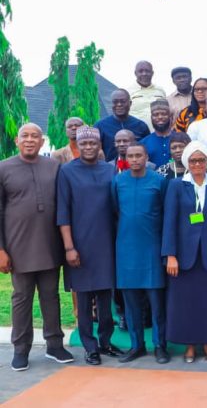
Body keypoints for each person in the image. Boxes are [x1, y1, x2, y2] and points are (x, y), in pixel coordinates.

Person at [0, 123, 74, 372]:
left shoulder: (54, 167)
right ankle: (21, 349)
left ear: (42, 142)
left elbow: (63, 205)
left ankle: (55, 345)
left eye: (35, 136)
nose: (30, 140)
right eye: (25, 136)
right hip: (18, 247)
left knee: (51, 296)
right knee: (22, 298)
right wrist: (1, 250)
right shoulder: (3, 168)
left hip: (50, 244)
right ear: (17, 141)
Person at [57, 126, 122, 366]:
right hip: (79, 244)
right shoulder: (67, 171)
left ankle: (105, 342)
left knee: (105, 298)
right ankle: (90, 347)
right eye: (83, 143)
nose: (88, 147)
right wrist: (69, 247)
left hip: (105, 243)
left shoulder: (109, 170)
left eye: (92, 143)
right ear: (77, 144)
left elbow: (115, 207)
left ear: (99, 145)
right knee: (84, 300)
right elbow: (62, 212)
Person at [162, 141, 207, 363]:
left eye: (201, 160)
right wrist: (170, 255)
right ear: (187, 162)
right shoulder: (177, 185)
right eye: (193, 160)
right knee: (184, 303)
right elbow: (169, 221)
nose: (197, 164)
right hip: (183, 256)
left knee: (206, 302)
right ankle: (189, 346)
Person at [112, 143, 169, 364]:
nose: (134, 159)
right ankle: (137, 345)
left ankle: (160, 345)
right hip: (126, 249)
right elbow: (115, 211)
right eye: (131, 156)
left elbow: (165, 212)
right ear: (126, 159)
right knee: (131, 303)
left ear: (146, 157)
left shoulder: (159, 181)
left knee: (157, 304)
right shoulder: (118, 182)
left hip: (152, 248)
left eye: (139, 155)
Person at [95, 89, 150, 161]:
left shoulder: (141, 126)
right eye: (115, 102)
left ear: (130, 103)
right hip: (111, 167)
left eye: (123, 101)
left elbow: (147, 150)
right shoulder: (100, 126)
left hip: (136, 166)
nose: (119, 104)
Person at [128, 61, 167, 131]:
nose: (144, 74)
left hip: (158, 133)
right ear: (135, 73)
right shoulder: (128, 92)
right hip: (137, 133)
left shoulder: (160, 91)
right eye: (140, 71)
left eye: (147, 71)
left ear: (152, 73)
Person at [140, 99, 174, 168]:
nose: (160, 117)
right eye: (156, 115)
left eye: (164, 114)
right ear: (151, 118)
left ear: (170, 117)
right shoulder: (143, 143)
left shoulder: (180, 139)